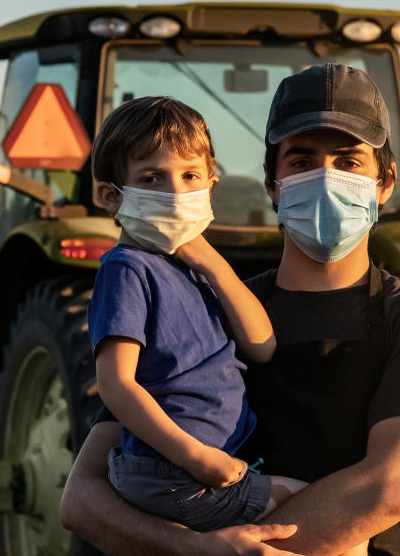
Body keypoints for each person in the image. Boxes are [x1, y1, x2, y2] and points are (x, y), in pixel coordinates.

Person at [61, 64, 400, 556]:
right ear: (271, 183)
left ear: (384, 184)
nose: (325, 178)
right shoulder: (201, 305)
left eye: (348, 163)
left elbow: (392, 486)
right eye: (302, 162)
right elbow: (82, 498)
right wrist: (203, 550)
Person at [87, 96, 330, 540]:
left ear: (211, 186)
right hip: (174, 470)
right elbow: (116, 384)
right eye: (152, 178)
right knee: (325, 516)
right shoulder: (127, 268)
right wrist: (196, 457)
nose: (176, 193)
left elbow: (261, 344)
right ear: (110, 195)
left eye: (189, 176)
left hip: (186, 468)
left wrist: (215, 265)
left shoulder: (194, 272)